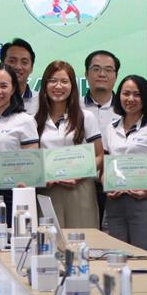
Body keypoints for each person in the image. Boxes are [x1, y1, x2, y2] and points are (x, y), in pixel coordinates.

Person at [102, 75, 147, 257]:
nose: (130, 99)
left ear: (145, 98)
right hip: (115, 203)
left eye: (137, 94)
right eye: (126, 93)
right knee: (116, 259)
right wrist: (107, 185)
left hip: (146, 202)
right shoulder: (111, 128)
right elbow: (104, 167)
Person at [36, 61, 103, 229]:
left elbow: (100, 156)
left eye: (64, 81)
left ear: (72, 85)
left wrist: (78, 176)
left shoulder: (86, 117)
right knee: (49, 239)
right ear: (44, 85)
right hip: (47, 189)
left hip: (80, 187)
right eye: (52, 80)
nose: (58, 86)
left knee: (83, 239)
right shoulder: (34, 121)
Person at [0, 63, 40, 209]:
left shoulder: (25, 120)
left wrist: (25, 186)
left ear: (13, 89)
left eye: (4, 86)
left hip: (15, 191)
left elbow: (32, 163)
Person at [82, 49, 121, 228]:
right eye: (96, 69)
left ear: (116, 75)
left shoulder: (127, 109)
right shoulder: (74, 108)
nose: (102, 74)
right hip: (83, 184)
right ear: (86, 74)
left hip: (118, 185)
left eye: (108, 70)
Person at [0, 38, 39, 115]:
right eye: (12, 61)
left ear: (31, 68)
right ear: (2, 64)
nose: (18, 67)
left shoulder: (40, 102)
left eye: (24, 62)